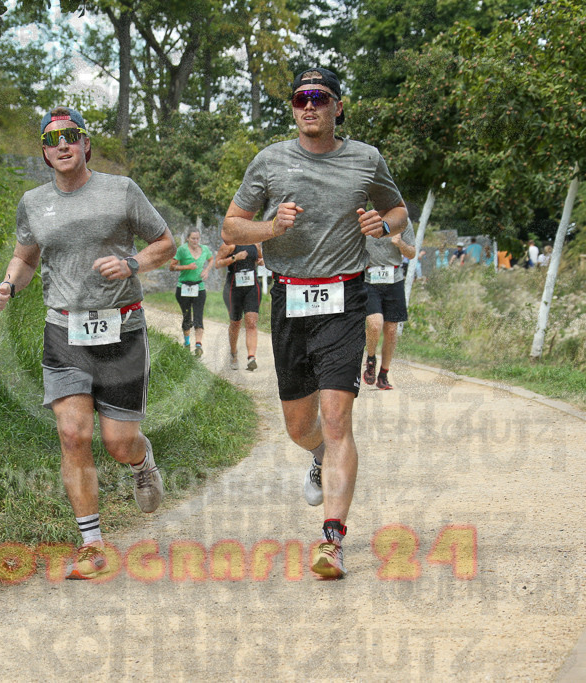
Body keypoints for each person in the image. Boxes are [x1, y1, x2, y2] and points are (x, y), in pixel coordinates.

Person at [222, 67, 408, 579]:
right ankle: (320, 458)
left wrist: (383, 224)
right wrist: (270, 226)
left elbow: (398, 211)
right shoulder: (270, 161)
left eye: (319, 97)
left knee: (336, 417)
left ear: (337, 106)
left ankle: (332, 540)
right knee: (300, 427)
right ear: (293, 106)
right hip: (287, 300)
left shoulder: (366, 159)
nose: (309, 106)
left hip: (345, 298)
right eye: (301, 98)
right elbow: (231, 225)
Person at [0, 107, 175, 580]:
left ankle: (141, 460)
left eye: (72, 136)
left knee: (118, 441)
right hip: (64, 331)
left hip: (122, 330)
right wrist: (10, 284)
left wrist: (133, 264)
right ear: (45, 153)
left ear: (86, 144)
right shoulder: (33, 203)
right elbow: (25, 259)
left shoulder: (121, 191)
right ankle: (93, 546)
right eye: (53, 140)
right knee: (73, 435)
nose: (63, 144)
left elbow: (165, 244)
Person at [363, 221, 416, 390]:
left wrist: (399, 243)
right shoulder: (367, 219)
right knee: (374, 324)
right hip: (368, 279)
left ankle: (383, 374)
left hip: (394, 278)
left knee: (391, 330)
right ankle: (371, 359)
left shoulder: (402, 222)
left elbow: (412, 253)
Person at [217, 240, 264, 370]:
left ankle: (251, 357)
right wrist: (234, 258)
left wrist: (261, 261)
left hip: (252, 287)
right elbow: (217, 263)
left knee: (251, 322)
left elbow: (261, 259)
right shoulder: (229, 245)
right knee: (235, 323)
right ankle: (233, 354)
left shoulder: (255, 244)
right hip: (233, 288)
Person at [170, 228, 213, 356]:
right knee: (187, 316)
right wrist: (186, 267)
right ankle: (187, 343)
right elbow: (172, 267)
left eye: (197, 238)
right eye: (193, 238)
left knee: (199, 316)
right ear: (188, 238)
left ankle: (198, 345)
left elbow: (211, 260)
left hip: (199, 287)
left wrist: (206, 270)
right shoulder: (182, 250)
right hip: (184, 287)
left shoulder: (204, 249)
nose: (195, 241)